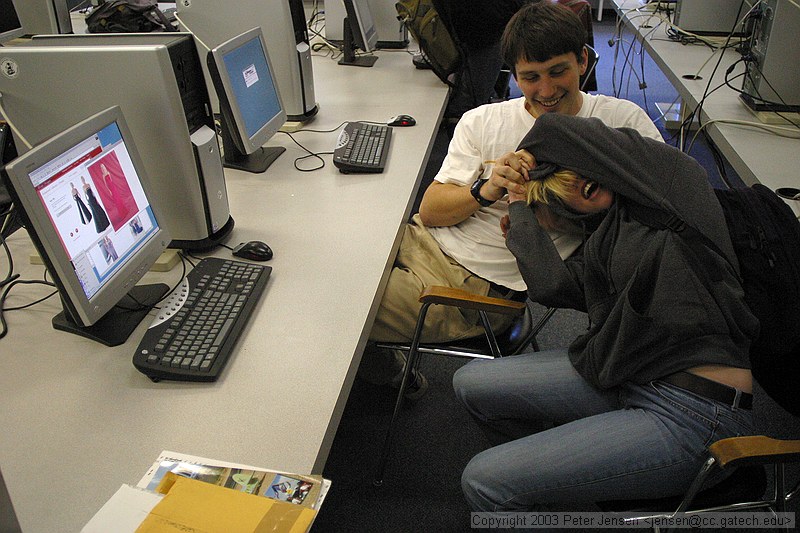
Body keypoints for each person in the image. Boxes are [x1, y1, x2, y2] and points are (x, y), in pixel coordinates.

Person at [453, 112, 759, 511]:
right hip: (632, 373)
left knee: (483, 481)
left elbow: (559, 130)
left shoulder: (673, 186)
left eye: (587, 191)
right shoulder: (613, 227)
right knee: (470, 383)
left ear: (597, 174)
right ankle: (548, 487)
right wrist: (519, 205)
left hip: (697, 413)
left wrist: (526, 157)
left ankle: (532, 487)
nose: (584, 209)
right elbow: (555, 286)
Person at [360, 1, 663, 396]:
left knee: (344, 308)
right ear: (514, 76)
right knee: (325, 264)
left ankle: (389, 378)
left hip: (473, 287)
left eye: (559, 71)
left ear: (583, 61)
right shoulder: (483, 120)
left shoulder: (624, 123)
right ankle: (381, 371)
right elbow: (430, 212)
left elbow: (664, 218)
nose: (547, 90)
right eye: (531, 77)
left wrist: (571, 204)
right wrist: (485, 189)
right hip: (419, 241)